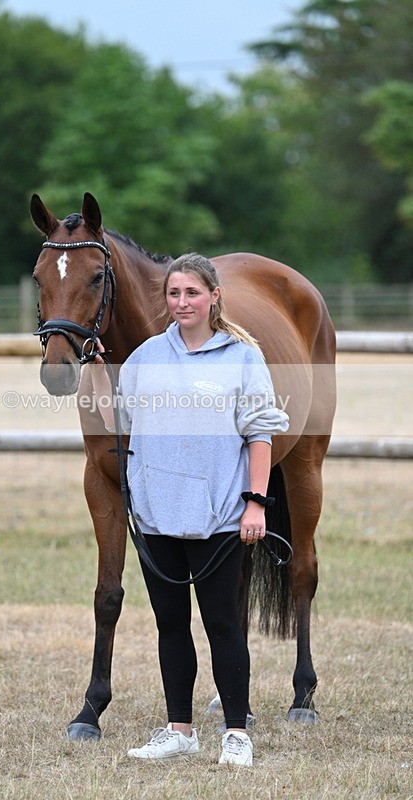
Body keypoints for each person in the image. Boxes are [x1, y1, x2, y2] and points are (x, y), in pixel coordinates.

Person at [89, 253, 289, 766]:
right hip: (156, 517)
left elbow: (260, 434)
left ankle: (236, 732)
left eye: (192, 294)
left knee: (223, 625)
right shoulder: (145, 358)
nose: (182, 303)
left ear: (214, 296)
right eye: (174, 294)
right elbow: (121, 421)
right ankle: (180, 728)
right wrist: (92, 367)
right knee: (170, 625)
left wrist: (256, 504)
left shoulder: (242, 357)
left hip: (220, 516)